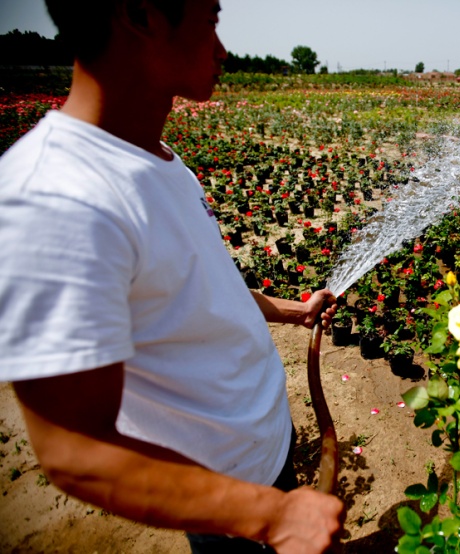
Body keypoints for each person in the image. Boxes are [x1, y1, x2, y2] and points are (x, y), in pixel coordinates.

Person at [0, 0, 344, 552]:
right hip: (217, 491)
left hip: (260, 450)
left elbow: (204, 290)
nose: (223, 50)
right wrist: (268, 516)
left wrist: (293, 309)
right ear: (139, 14)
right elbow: (73, 450)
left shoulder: (159, 160)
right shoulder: (57, 196)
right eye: (209, 18)